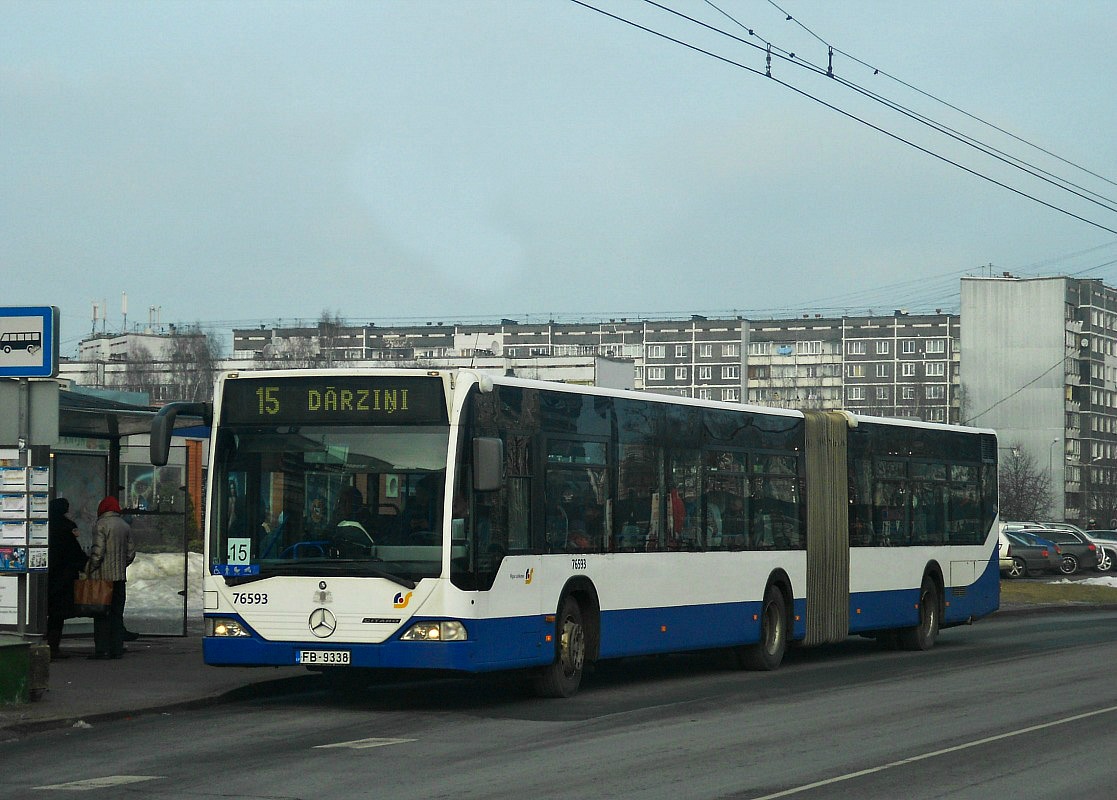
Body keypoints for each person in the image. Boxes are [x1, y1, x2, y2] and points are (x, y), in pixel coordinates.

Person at [86, 495, 136, 660]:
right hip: (120, 578)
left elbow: (97, 552)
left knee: (101, 615)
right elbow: (130, 554)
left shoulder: (101, 525)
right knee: (116, 614)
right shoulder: (124, 525)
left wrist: (90, 568)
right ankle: (116, 649)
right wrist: (121, 565)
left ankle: (102, 650)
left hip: (103, 578)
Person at [46, 498, 88, 660]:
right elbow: (74, 552)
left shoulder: (44, 525)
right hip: (63, 577)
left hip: (46, 576)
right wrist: (85, 565)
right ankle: (53, 647)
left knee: (43, 610)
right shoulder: (67, 527)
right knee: (58, 614)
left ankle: (39, 644)